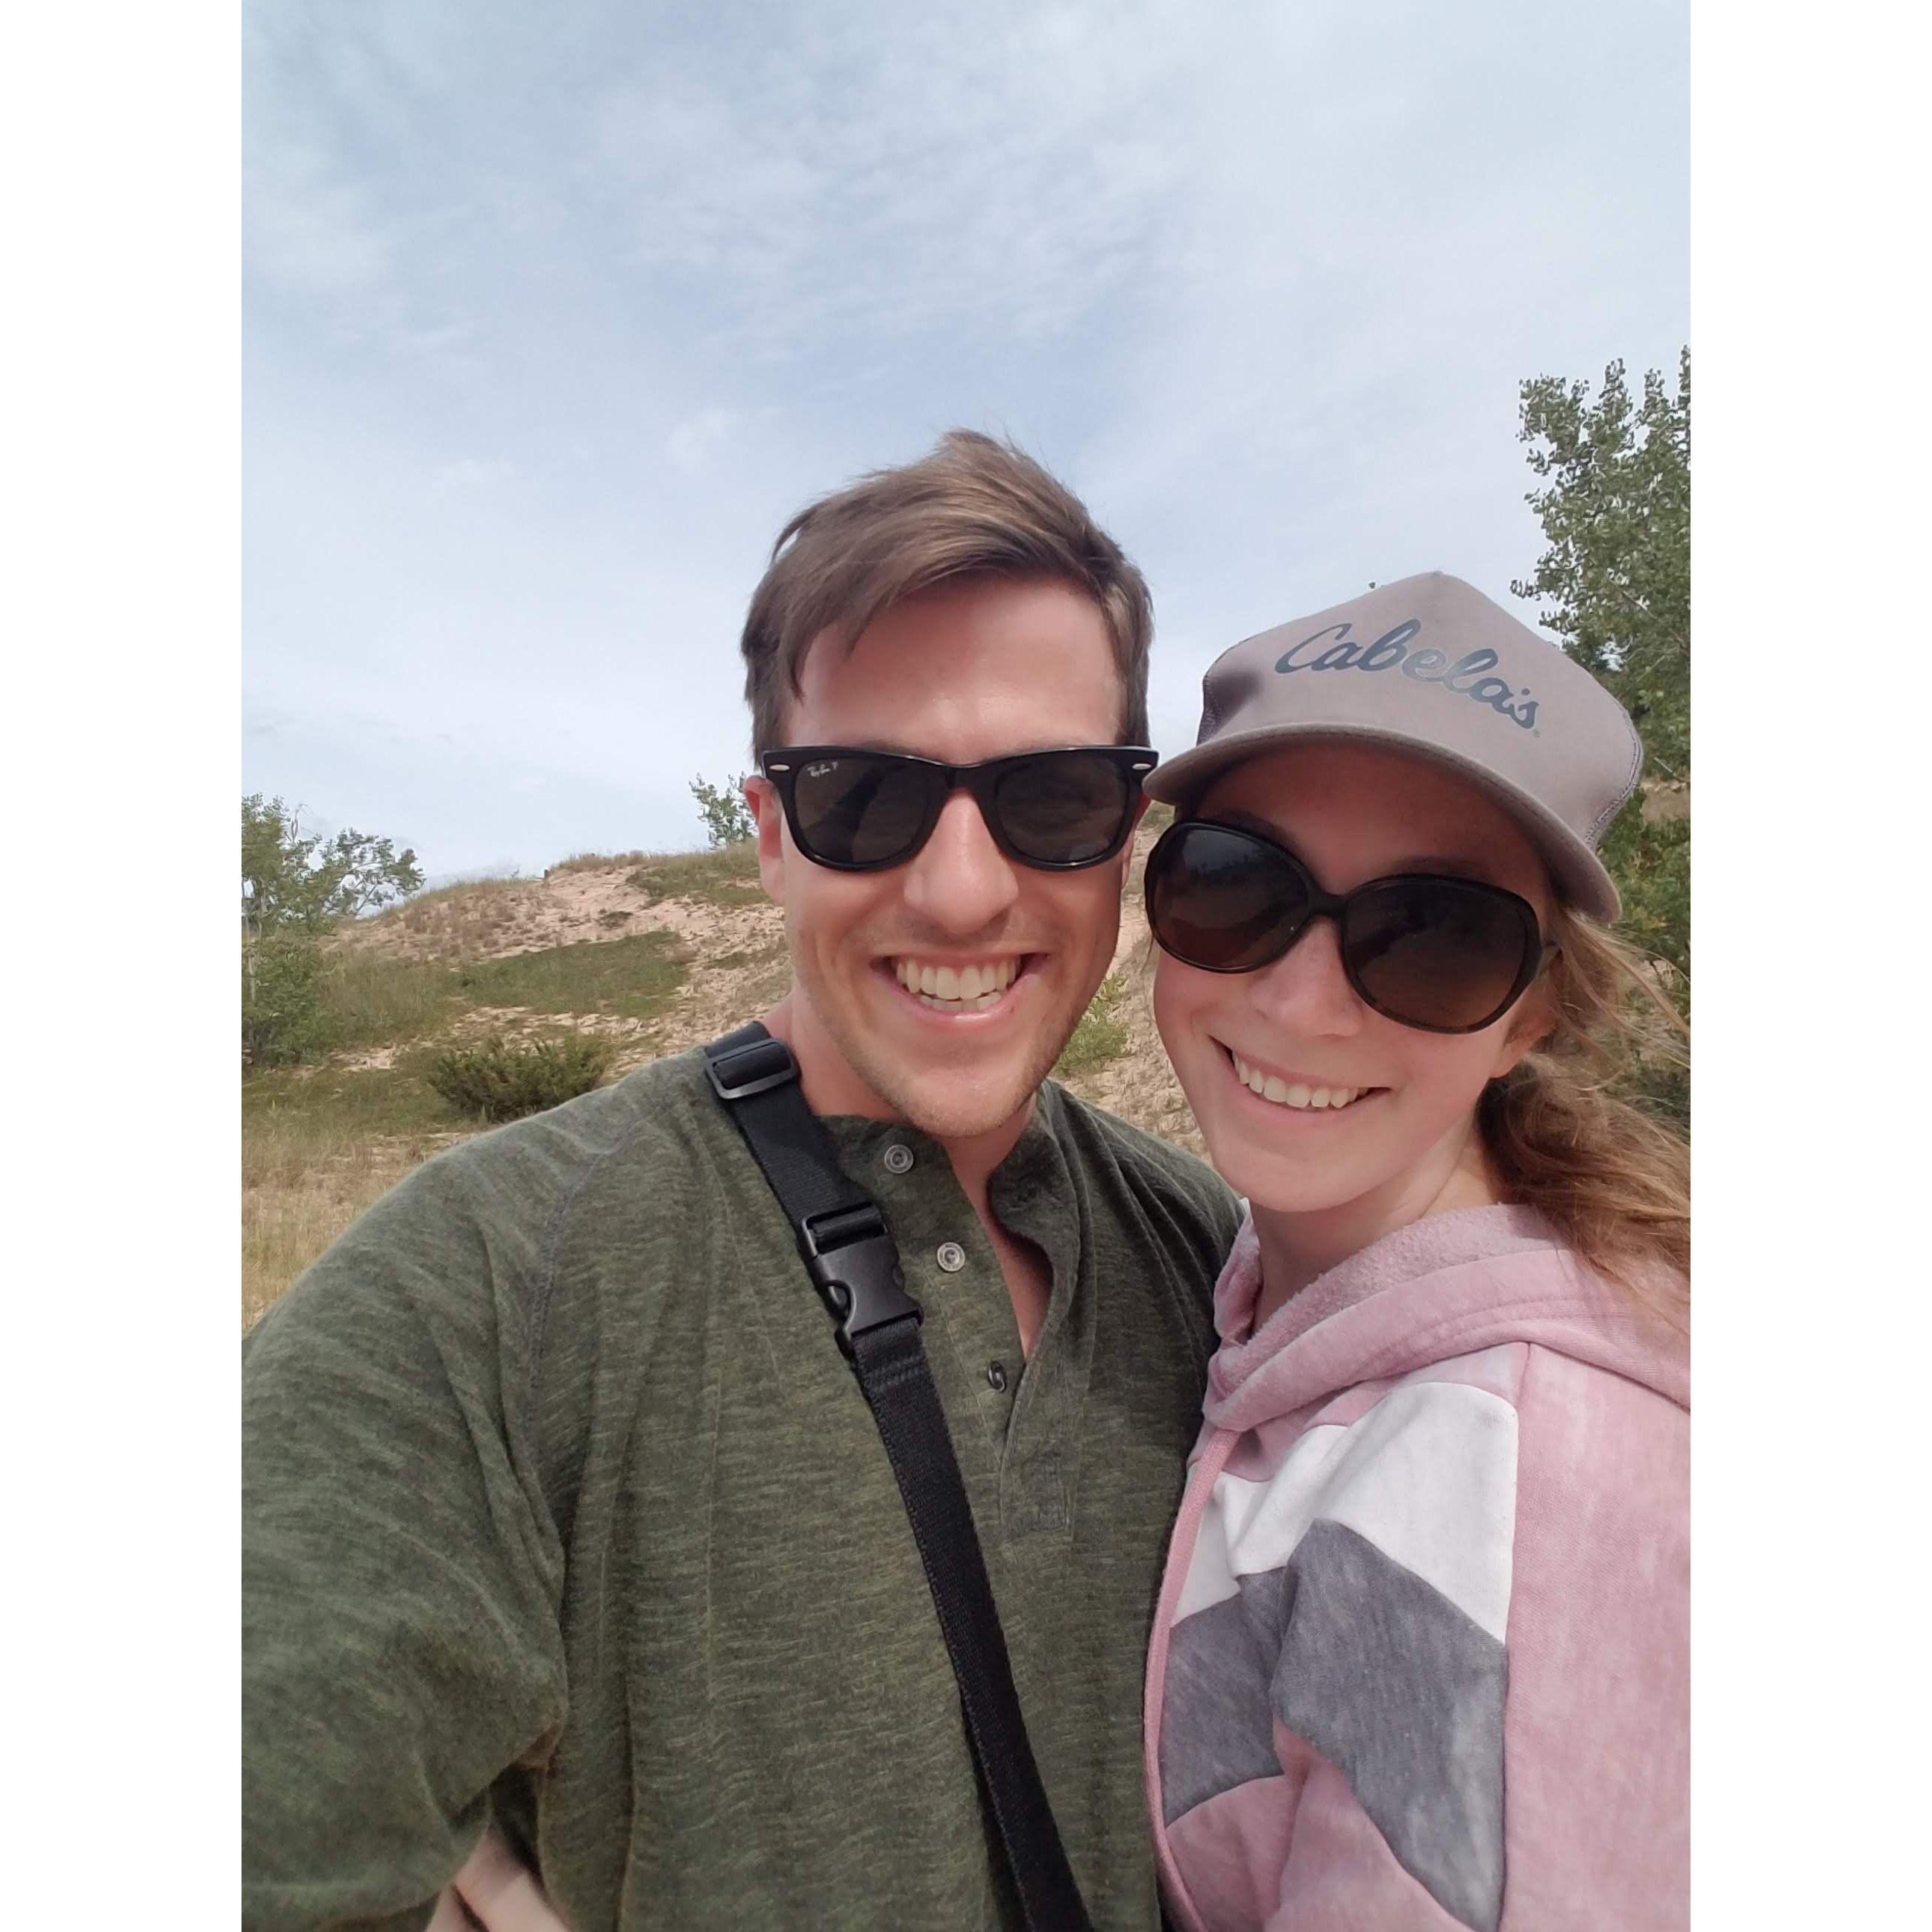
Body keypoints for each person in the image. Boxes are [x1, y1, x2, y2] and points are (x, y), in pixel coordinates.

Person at [242, 430, 1243, 1931]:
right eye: (863, 798)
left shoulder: (1216, 1254)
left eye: (1049, 798)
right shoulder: (486, 1291)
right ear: (769, 835)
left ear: (1126, 836)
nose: (964, 887)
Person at [1136, 573, 1689, 1932]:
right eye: (1233, 884)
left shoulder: (1510, 1471)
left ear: (1532, 1011)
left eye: (1433, 934)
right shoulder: (1280, 1306)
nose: (1299, 1000)